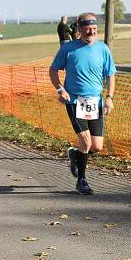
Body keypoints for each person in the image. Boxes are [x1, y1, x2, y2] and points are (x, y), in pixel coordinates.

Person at [49, 12, 116, 195]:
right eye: (87, 29)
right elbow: (53, 70)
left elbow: (110, 74)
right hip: (74, 100)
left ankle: (75, 154)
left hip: (95, 101)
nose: (91, 32)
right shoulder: (68, 49)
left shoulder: (103, 49)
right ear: (79, 30)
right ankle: (82, 181)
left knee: (96, 146)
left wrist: (109, 97)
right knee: (85, 141)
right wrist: (60, 89)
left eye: (94, 29)